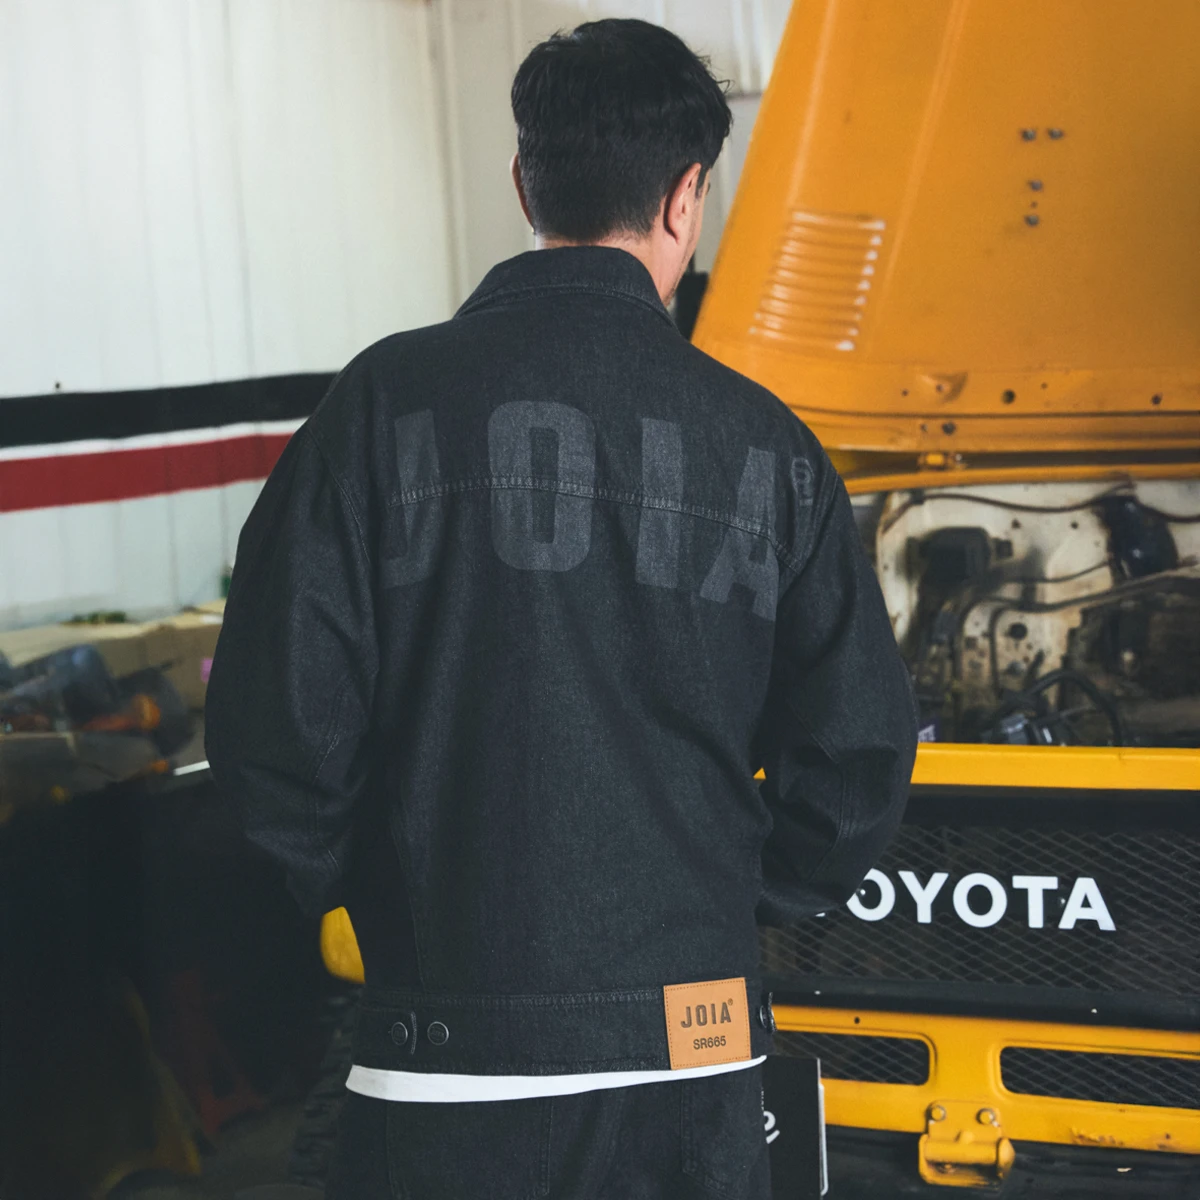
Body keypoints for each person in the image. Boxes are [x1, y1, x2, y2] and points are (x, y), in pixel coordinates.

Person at [206, 18, 916, 1200]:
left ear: (524, 182)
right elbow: (857, 758)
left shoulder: (376, 409)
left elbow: (273, 734)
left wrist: (394, 904)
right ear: (686, 198)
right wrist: (720, 903)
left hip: (440, 1059)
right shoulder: (767, 444)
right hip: (692, 1059)